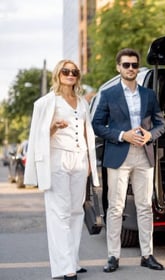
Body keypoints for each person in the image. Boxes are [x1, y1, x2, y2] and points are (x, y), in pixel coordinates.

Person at [92, 48, 165, 272]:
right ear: (118, 67)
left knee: (145, 207)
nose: (131, 69)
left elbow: (161, 124)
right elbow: (97, 124)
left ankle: (147, 255)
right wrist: (122, 135)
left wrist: (149, 135)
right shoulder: (108, 94)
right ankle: (113, 256)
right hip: (118, 155)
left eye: (134, 65)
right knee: (115, 208)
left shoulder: (149, 95)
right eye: (126, 65)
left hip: (144, 156)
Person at [24, 59, 99, 280]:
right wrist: (52, 127)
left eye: (74, 71)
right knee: (59, 214)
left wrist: (87, 162)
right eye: (66, 71)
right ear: (58, 74)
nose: (70, 74)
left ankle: (73, 260)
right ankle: (65, 267)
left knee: (76, 212)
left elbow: (87, 133)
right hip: (57, 159)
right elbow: (37, 137)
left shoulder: (83, 102)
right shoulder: (47, 102)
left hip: (79, 161)